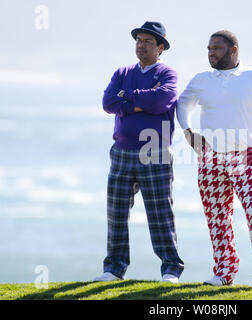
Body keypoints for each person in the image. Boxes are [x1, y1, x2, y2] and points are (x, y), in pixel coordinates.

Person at [176, 30, 252, 291]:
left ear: (234, 50)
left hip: (245, 158)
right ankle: (224, 272)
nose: (211, 53)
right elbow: (182, 105)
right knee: (217, 218)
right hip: (210, 160)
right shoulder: (202, 79)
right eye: (208, 48)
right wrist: (188, 133)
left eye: (216, 48)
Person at [94, 21, 184, 283]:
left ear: (160, 48)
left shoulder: (168, 74)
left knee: (159, 213)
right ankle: (114, 268)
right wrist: (137, 104)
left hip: (154, 151)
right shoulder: (122, 71)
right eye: (138, 40)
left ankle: (170, 269)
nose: (140, 45)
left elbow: (160, 100)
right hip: (122, 152)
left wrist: (128, 97)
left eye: (147, 41)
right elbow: (108, 102)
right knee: (117, 212)